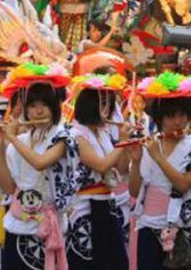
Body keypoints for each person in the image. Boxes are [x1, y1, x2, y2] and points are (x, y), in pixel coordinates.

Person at [127, 72, 191, 270]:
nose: (178, 121)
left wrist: (157, 157)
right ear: (159, 118)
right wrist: (136, 158)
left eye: (182, 115)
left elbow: (183, 184)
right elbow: (134, 191)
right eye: (171, 116)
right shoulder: (150, 143)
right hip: (148, 225)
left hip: (179, 226)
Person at [0, 64, 76, 270]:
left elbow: (40, 163)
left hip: (49, 222)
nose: (38, 111)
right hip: (19, 220)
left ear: (54, 107)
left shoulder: (63, 136)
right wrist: (0, 151)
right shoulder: (21, 140)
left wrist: (12, 138)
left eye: (44, 105)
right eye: (32, 106)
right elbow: (9, 188)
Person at [67, 74, 130, 270]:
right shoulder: (75, 134)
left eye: (109, 107)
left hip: (107, 203)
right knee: (85, 261)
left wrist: (126, 143)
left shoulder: (102, 133)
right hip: (84, 206)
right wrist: (121, 143)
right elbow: (101, 166)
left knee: (114, 260)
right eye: (104, 106)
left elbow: (120, 168)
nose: (108, 112)